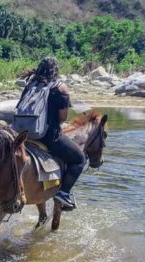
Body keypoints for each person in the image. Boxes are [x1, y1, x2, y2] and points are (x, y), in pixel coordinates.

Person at [26, 56, 85, 210]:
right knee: (79, 159)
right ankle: (64, 193)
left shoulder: (31, 84)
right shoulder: (60, 88)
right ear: (56, 70)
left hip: (24, 133)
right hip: (48, 136)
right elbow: (63, 117)